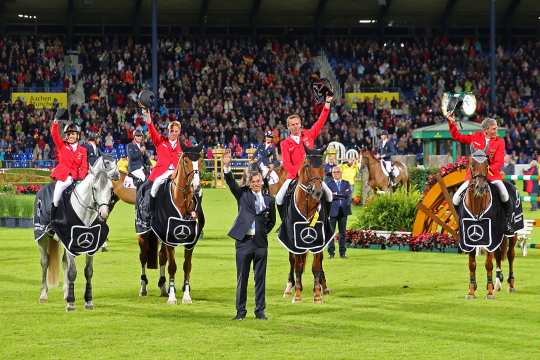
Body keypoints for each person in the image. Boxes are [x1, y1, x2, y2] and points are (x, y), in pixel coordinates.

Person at [223, 151, 276, 321]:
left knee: (260, 279)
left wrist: (261, 233)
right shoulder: (242, 194)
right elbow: (231, 183)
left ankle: (260, 311)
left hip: (261, 244)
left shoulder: (270, 200)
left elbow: (272, 222)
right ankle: (240, 312)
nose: (256, 184)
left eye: (259, 181)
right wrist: (226, 166)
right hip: (244, 243)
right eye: (253, 182)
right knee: (242, 279)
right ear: (249, 183)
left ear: (262, 181)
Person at [447, 115, 512, 231]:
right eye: (494, 129)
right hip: (473, 176)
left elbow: (499, 162)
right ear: (486, 130)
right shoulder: (476, 137)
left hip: (492, 175)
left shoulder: (500, 141)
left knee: (504, 194)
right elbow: (457, 136)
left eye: (496, 128)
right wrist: (451, 123)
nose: (496, 131)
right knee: (456, 198)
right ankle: (460, 222)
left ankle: (507, 222)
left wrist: (486, 171)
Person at [276, 94, 334, 208]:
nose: (295, 126)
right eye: (292, 125)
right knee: (278, 198)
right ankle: (284, 224)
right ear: (288, 127)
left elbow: (321, 121)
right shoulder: (284, 143)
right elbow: (287, 164)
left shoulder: (309, 134)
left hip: (312, 175)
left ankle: (326, 222)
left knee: (330, 195)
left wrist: (327, 103)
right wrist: (298, 173)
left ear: (300, 124)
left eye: (297, 124)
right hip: (294, 176)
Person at [137, 109, 183, 227]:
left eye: (175, 131)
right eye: (171, 130)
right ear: (168, 131)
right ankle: (149, 213)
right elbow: (152, 131)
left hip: (177, 173)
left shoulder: (182, 146)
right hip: (161, 173)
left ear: (179, 132)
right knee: (149, 188)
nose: (173, 132)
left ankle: (192, 215)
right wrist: (148, 119)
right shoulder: (160, 141)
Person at [50, 118, 88, 213]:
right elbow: (55, 135)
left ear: (77, 136)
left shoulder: (82, 150)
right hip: (63, 176)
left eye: (73, 134)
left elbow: (84, 166)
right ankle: (54, 209)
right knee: (59, 186)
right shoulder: (62, 145)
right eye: (69, 134)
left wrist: (81, 178)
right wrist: (55, 125)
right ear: (66, 136)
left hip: (76, 177)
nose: (71, 136)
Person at [325, 166, 352, 259]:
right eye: (334, 172)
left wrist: (335, 195)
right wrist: (340, 195)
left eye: (337, 172)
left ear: (341, 173)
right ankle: (331, 253)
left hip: (343, 211)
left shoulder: (346, 183)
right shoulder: (328, 184)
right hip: (332, 211)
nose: (336, 173)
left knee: (342, 233)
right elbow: (328, 196)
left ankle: (342, 253)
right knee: (331, 233)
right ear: (332, 174)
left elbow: (347, 194)